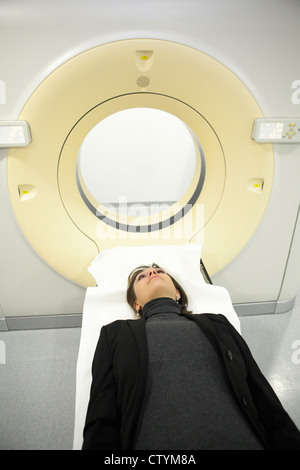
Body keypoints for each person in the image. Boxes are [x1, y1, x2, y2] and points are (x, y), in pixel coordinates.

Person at [82, 264, 300, 450]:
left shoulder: (219, 324)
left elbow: (260, 391)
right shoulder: (115, 333)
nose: (152, 273)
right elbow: (102, 411)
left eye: (159, 271)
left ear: (177, 292)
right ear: (136, 303)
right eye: (142, 276)